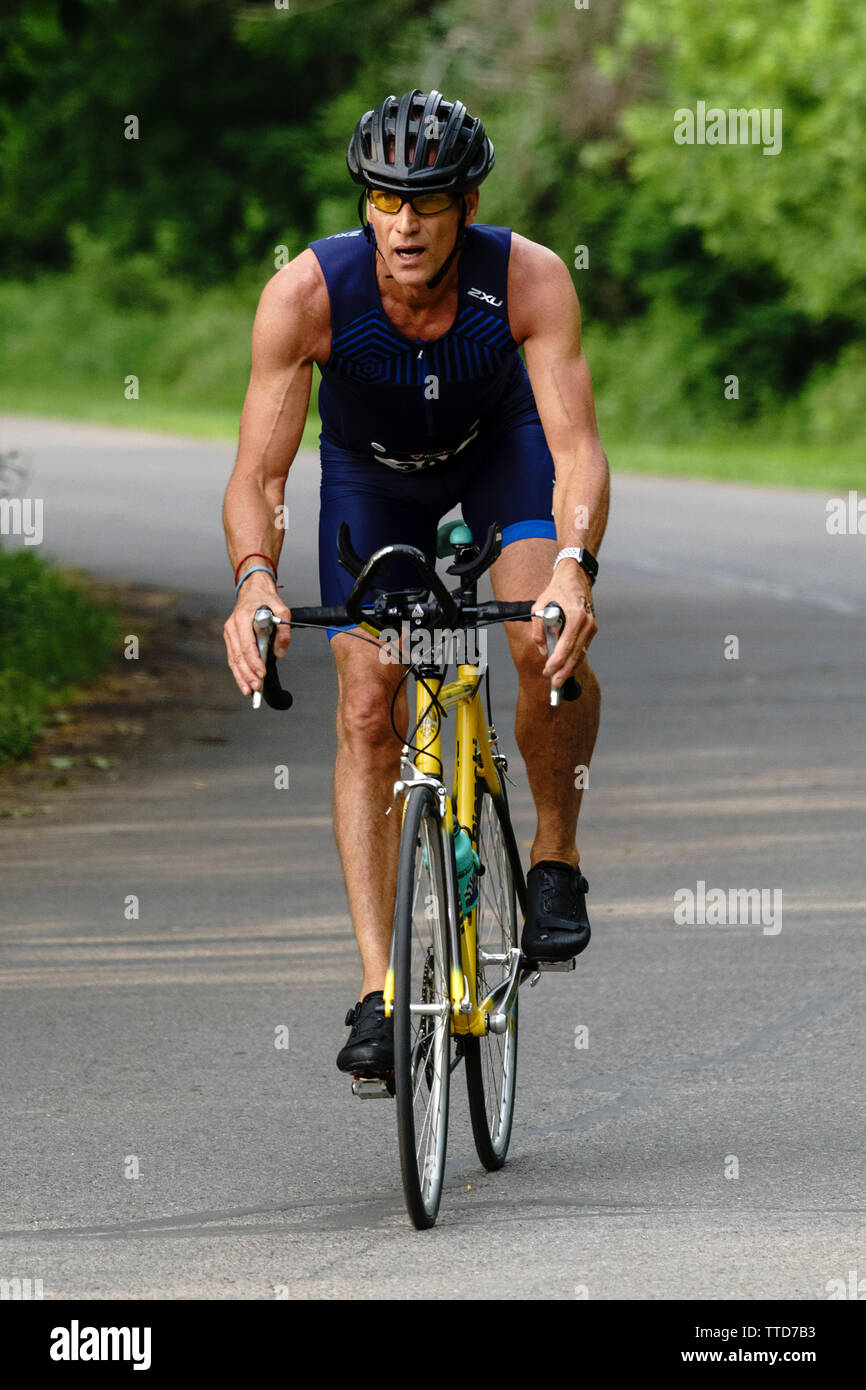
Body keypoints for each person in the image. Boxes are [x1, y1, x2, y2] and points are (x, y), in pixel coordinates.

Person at [222, 89, 610, 1078]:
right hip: (371, 484)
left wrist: (572, 563)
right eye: (384, 200)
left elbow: (573, 448)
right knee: (364, 702)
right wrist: (255, 578)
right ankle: (382, 991)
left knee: (539, 638)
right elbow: (260, 477)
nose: (402, 223)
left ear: (465, 206)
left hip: (499, 458)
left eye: (426, 202)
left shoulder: (528, 279)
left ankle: (554, 859)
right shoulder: (307, 295)